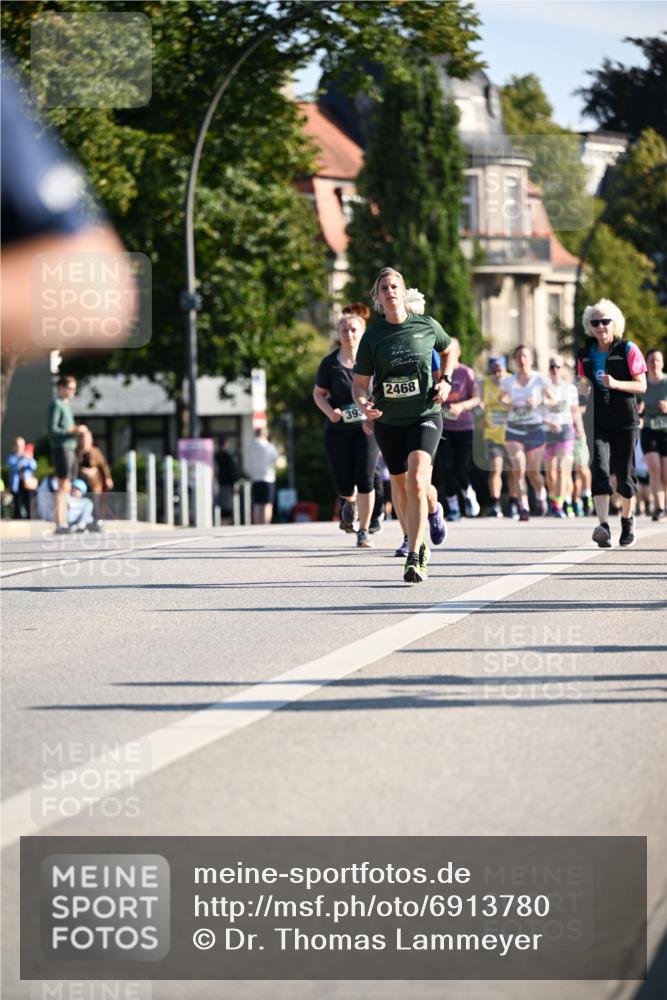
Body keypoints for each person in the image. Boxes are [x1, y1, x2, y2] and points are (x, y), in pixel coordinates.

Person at [352, 267, 452, 583]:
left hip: (425, 415)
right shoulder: (373, 338)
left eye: (395, 285)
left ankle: (415, 552)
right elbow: (359, 384)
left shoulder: (426, 325)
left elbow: (448, 349)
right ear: (378, 298)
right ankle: (425, 521)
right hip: (388, 420)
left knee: (418, 482)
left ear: (404, 291)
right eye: (384, 288)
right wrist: (362, 405)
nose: (390, 290)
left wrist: (446, 380)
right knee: (400, 485)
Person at [577, 298, 647, 548]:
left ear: (614, 323)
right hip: (597, 420)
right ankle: (603, 525)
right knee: (599, 469)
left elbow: (642, 385)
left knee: (625, 475)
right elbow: (582, 387)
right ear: (589, 326)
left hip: (625, 420)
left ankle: (627, 520)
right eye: (595, 322)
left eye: (605, 321)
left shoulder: (628, 349)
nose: (600, 326)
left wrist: (616, 383)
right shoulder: (584, 353)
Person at [313, 312, 380, 548]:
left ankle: (363, 531)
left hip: (368, 429)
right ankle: (348, 502)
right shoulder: (330, 364)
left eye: (354, 330)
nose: (349, 334)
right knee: (343, 481)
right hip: (338, 430)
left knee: (365, 478)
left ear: (363, 333)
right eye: (344, 330)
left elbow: (382, 392)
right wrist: (331, 412)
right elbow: (318, 394)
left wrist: (375, 414)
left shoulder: (373, 361)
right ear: (339, 335)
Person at [500, 345, 550, 521]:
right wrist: (509, 405)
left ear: (531, 359)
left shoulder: (540, 380)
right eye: (519, 356)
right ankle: (523, 507)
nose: (522, 360)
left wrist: (539, 400)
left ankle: (540, 494)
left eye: (525, 356)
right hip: (514, 429)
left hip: (535, 429)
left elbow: (553, 401)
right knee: (519, 469)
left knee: (533, 473)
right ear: (515, 360)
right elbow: (502, 400)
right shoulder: (508, 381)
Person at [434, 337, 481, 521]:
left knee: (461, 468)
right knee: (446, 467)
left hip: (464, 427)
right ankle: (453, 507)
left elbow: (477, 398)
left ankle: (468, 494)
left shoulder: (466, 373)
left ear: (458, 352)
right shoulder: (437, 374)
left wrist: (460, 407)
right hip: (444, 427)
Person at [543, 355, 585, 518]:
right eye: (552, 366)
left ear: (563, 369)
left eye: (558, 367)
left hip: (566, 431)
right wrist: (549, 423)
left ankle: (558, 504)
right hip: (548, 431)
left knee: (563, 468)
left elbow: (575, 412)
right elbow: (537, 413)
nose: (555, 370)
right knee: (550, 473)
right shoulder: (543, 388)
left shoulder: (570, 389)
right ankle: (556, 498)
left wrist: (580, 430)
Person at [48, 374, 83, 533]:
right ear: (61, 388)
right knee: (63, 485)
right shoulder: (57, 404)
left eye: (74, 388)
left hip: (70, 448)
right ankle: (59, 522)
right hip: (61, 448)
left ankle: (63, 521)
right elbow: (53, 429)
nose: (72, 391)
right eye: (70, 388)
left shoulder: (66, 405)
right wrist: (72, 430)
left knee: (68, 485)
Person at [478, 356, 510, 518]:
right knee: (495, 469)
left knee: (514, 471)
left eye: (500, 369)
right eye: (495, 369)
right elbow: (481, 401)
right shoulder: (486, 383)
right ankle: (495, 503)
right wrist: (480, 410)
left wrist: (507, 402)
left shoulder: (513, 381)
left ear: (505, 369)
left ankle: (514, 502)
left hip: (512, 433)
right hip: (492, 433)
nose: (498, 372)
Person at [640, 348, 667, 522]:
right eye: (651, 360)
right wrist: (638, 411)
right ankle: (658, 507)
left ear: (662, 363)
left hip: (666, 431)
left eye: (657, 360)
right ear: (646, 363)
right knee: (654, 469)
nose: (654, 364)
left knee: (666, 472)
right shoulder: (642, 383)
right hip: (649, 430)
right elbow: (634, 406)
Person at [246, 427, 280, 525]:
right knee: (267, 504)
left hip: (255, 479)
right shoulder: (269, 446)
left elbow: (247, 464)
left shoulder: (250, 447)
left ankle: (257, 525)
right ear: (265, 434)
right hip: (268, 478)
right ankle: (265, 525)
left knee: (257, 504)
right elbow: (276, 459)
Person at [6, 436, 38, 519]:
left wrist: (29, 458)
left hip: (27, 483)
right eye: (18, 446)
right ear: (14, 446)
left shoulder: (28, 456)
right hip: (17, 483)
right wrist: (22, 459)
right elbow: (14, 467)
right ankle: (17, 517)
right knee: (17, 501)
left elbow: (34, 466)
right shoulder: (11, 457)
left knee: (28, 500)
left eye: (22, 446)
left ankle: (30, 516)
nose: (20, 448)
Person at [216, 436, 239, 525]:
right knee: (228, 505)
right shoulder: (227, 456)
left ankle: (223, 521)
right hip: (228, 484)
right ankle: (226, 522)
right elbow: (232, 471)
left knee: (222, 503)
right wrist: (234, 483)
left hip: (220, 482)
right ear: (226, 444)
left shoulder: (217, 455)